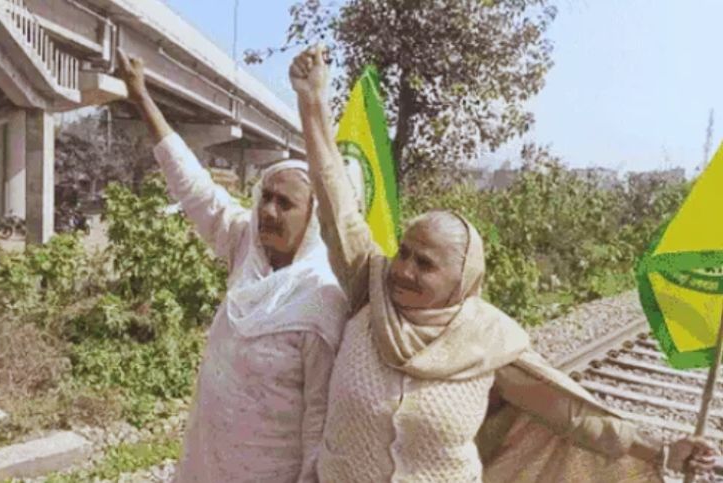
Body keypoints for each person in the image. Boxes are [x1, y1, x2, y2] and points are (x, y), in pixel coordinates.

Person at [289, 45, 718, 482]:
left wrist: (661, 448)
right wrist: (314, 103)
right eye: (404, 252)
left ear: (462, 281)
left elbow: (571, 415)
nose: (403, 269)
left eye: (425, 264)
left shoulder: (487, 339)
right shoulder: (370, 285)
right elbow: (336, 203)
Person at [117, 49, 348, 482]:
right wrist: (141, 97)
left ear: (313, 216)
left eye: (286, 203)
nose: (270, 211)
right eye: (266, 198)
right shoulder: (247, 247)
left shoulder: (321, 295)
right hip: (210, 460)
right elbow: (194, 187)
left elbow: (320, 418)